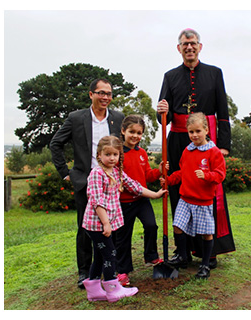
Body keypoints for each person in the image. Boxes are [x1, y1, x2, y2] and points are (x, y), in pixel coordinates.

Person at [157, 28, 235, 266]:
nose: (189, 47)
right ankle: (183, 252)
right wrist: (160, 111)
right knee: (179, 195)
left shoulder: (214, 73)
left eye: (192, 43)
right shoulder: (170, 76)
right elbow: (164, 118)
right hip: (178, 142)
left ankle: (207, 251)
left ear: (200, 46)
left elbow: (223, 112)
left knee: (205, 191)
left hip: (208, 143)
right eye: (184, 44)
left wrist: (223, 146)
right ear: (178, 48)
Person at [50, 79, 125, 288]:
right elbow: (56, 143)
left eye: (109, 93)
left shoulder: (118, 118)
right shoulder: (76, 118)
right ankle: (84, 273)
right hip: (86, 181)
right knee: (85, 230)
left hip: (110, 182)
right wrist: (65, 173)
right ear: (91, 94)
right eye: (101, 93)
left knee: (112, 228)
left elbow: (123, 148)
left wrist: (121, 175)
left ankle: (109, 269)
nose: (105, 97)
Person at [82, 136, 167, 302]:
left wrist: (155, 195)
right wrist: (106, 223)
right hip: (98, 225)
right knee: (110, 255)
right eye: (108, 154)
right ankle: (113, 289)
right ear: (99, 155)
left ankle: (93, 290)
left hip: (108, 224)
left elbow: (135, 186)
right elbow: (97, 201)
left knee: (100, 256)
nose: (112, 158)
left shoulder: (116, 172)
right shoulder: (96, 174)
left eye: (116, 154)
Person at [162, 113, 226, 279]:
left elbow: (220, 175)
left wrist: (207, 176)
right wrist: (168, 180)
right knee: (178, 226)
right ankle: (183, 255)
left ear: (206, 129)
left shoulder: (214, 152)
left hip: (203, 201)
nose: (194, 135)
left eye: (198, 131)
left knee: (206, 233)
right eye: (191, 132)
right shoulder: (187, 151)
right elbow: (182, 173)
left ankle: (205, 265)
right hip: (185, 199)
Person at [115, 115, 165, 286]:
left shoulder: (142, 153)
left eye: (139, 133)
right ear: (123, 131)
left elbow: (147, 176)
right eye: (132, 132)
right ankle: (122, 271)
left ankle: (151, 257)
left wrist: (158, 171)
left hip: (142, 200)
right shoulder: (118, 153)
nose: (135, 136)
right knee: (123, 237)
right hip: (124, 202)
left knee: (151, 225)